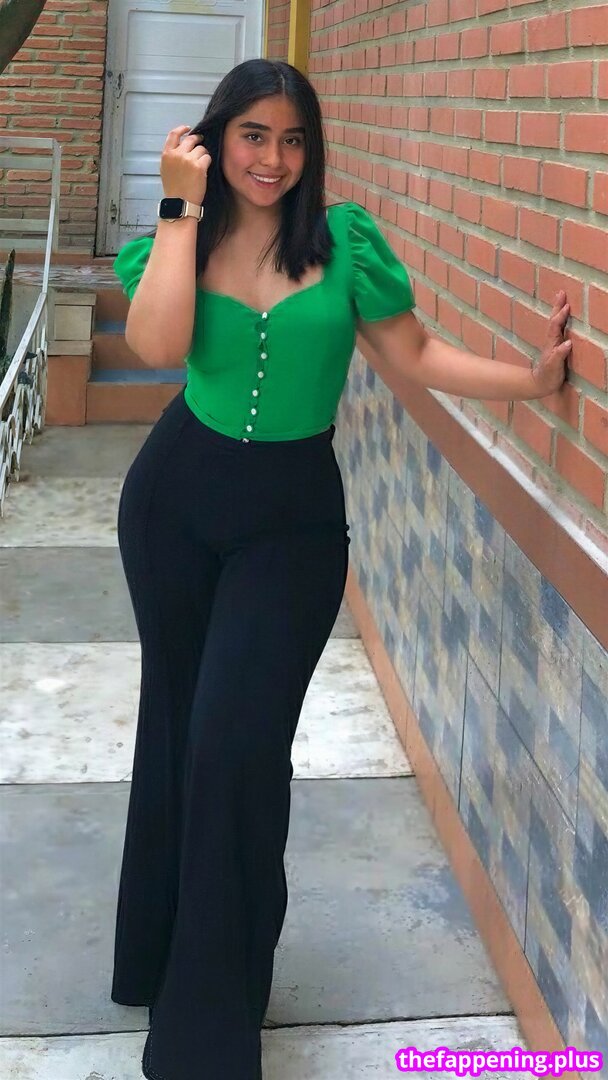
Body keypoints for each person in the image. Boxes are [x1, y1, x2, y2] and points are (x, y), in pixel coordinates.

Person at [109, 58, 571, 1080]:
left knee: (235, 748)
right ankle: (153, 954)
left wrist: (531, 383)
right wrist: (180, 209)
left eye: (292, 139)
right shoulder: (181, 238)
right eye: (253, 135)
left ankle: (205, 1033)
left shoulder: (342, 242)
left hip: (292, 528)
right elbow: (156, 344)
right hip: (173, 506)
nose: (272, 159)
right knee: (177, 727)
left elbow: (416, 355)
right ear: (216, 138)